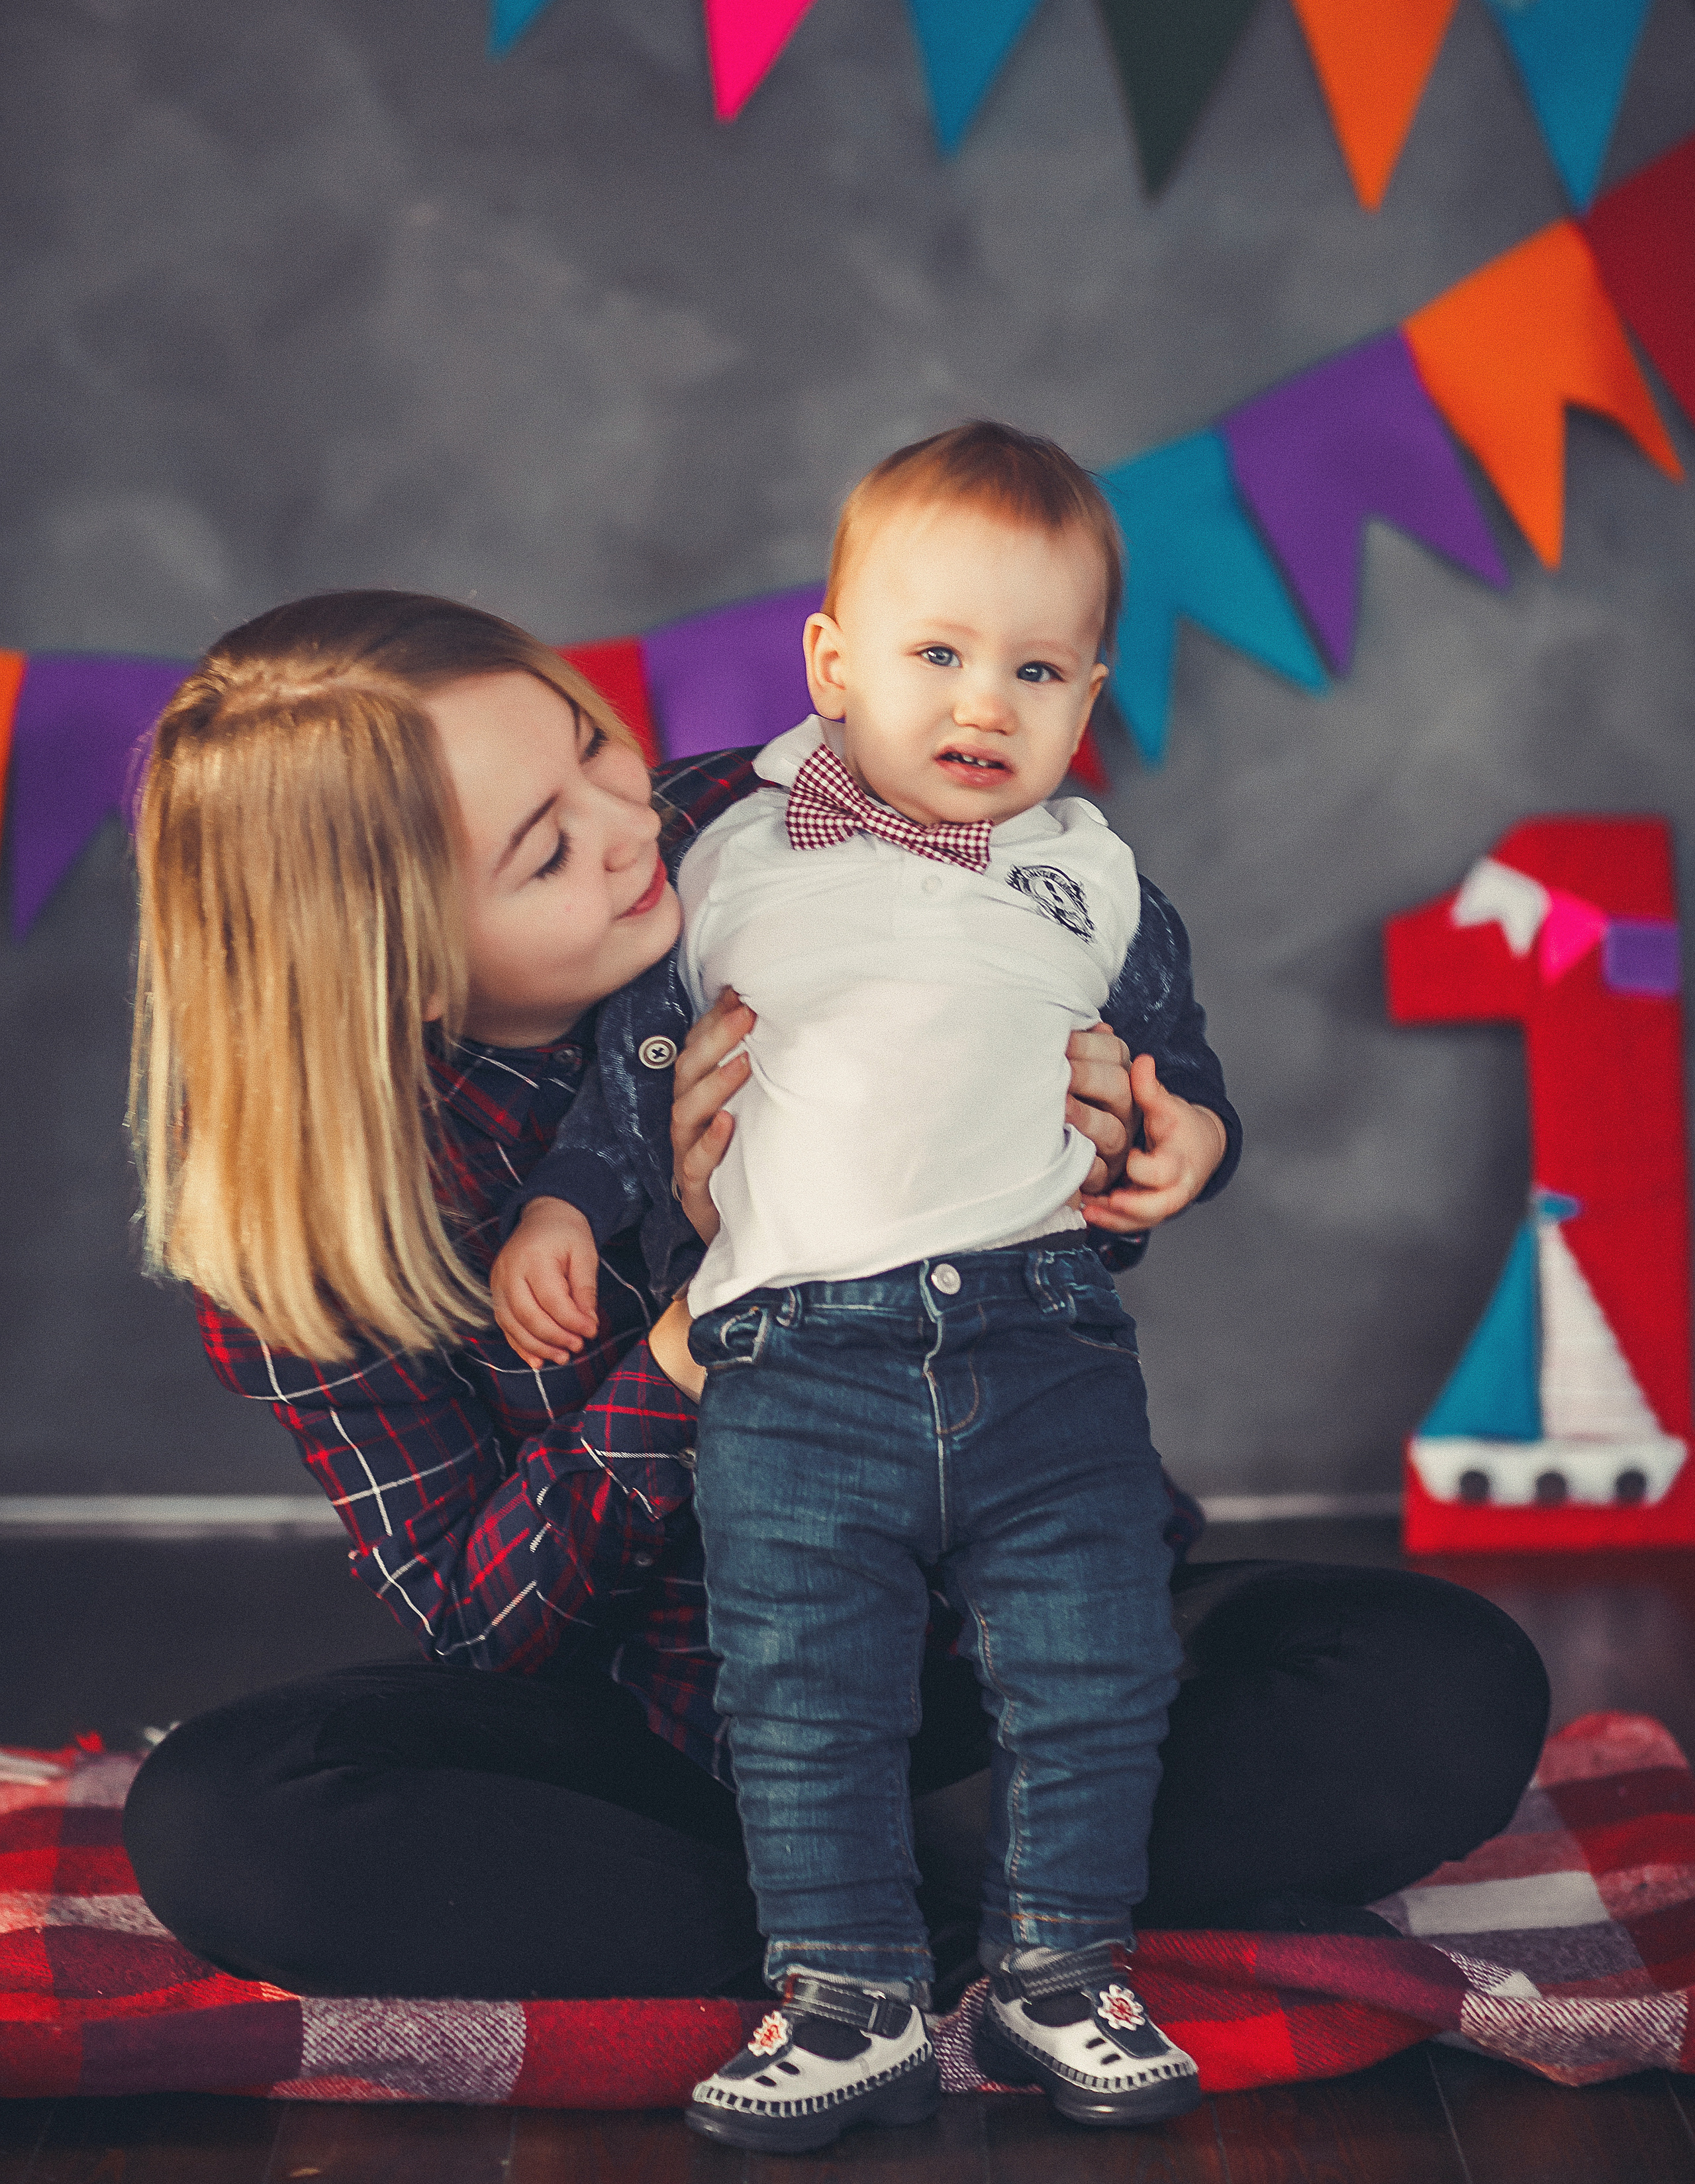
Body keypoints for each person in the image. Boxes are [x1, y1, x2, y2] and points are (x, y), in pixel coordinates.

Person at [121, 585, 1550, 2095]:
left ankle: (885, 1916)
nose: (627, 823)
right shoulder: (311, 1223)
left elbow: (1079, 973)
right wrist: (696, 1327)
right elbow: (491, 1627)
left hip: (997, 1658)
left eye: (596, 746)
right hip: (664, 1739)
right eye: (544, 847)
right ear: (394, 960)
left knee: (1438, 1678)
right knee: (223, 1820)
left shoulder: (788, 828)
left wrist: (1141, 1128)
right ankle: (935, 1916)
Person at [494, 425, 1239, 2144]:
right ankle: (846, 1990)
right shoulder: (733, 859)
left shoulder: (1102, 877)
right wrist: (563, 1212)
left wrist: (1189, 1139)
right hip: (794, 1362)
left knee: (1095, 1659)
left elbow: (1177, 1070)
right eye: (938, 654)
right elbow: (641, 1065)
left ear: (1088, 696)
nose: (986, 703)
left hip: (1044, 1337)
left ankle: (1062, 1962)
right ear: (830, 664)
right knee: (803, 1677)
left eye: (1036, 668)